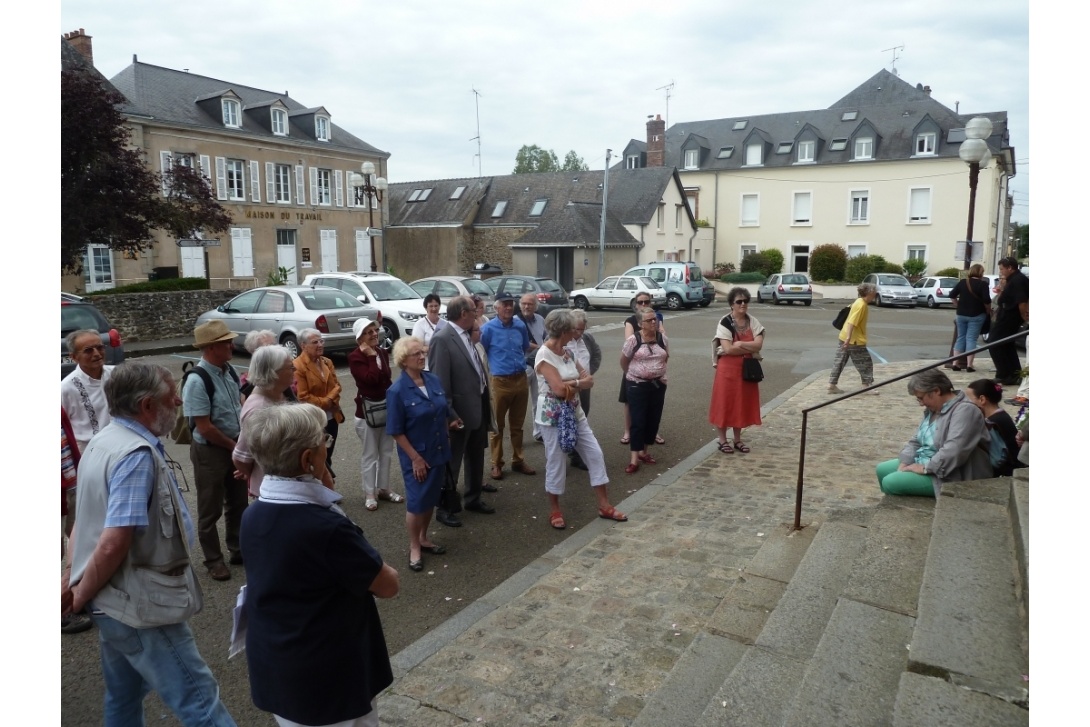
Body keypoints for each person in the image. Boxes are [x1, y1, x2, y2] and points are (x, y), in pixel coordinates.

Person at [63, 362, 236, 726]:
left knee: (123, 698)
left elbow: (84, 518)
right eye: (170, 395)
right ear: (146, 406)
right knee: (199, 700)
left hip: (114, 602)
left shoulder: (103, 440)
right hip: (138, 605)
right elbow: (112, 542)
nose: (177, 400)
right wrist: (77, 594)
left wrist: (73, 578)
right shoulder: (135, 455)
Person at [241, 403, 398, 726]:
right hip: (326, 675)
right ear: (307, 460)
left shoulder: (254, 514)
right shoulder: (324, 527)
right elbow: (387, 584)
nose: (327, 448)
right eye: (323, 443)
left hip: (280, 661)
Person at [535, 309, 627, 529]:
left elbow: (589, 379)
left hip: (575, 412)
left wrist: (575, 385)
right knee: (556, 462)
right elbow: (558, 389)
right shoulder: (544, 354)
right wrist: (577, 385)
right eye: (572, 329)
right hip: (554, 417)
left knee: (595, 454)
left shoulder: (567, 352)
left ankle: (604, 505)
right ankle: (555, 510)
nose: (576, 333)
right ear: (564, 330)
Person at [183, 320, 245, 581]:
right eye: (226, 342)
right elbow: (205, 428)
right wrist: (235, 447)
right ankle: (213, 560)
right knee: (210, 509)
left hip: (233, 444)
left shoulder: (228, 370)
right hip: (211, 451)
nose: (232, 345)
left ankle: (238, 548)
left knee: (239, 502)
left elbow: (239, 403)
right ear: (210, 348)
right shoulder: (197, 380)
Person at [388, 337, 455, 570]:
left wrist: (447, 433)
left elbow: (442, 411)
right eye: (416, 353)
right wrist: (415, 458)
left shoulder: (433, 379)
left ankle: (424, 537)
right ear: (403, 360)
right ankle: (414, 546)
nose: (421, 356)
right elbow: (396, 431)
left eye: (422, 351)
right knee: (416, 503)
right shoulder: (397, 391)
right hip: (417, 455)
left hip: (438, 451)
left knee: (431, 498)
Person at [428, 296, 495, 525]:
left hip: (477, 408)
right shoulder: (443, 338)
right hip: (458, 413)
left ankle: (473, 498)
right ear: (463, 313)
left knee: (476, 456)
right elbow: (439, 382)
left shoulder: (467, 335)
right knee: (452, 461)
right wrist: (449, 415)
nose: (477, 314)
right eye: (473, 311)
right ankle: (445, 507)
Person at [875, 370, 992, 497]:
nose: (921, 404)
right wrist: (905, 461)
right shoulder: (934, 409)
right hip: (927, 461)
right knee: (882, 469)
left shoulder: (966, 410)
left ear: (936, 391)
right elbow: (916, 440)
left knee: (891, 482)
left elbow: (955, 450)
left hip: (951, 474)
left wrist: (926, 468)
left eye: (921, 398)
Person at [349, 317, 405, 511]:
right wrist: (371, 357)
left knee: (386, 452)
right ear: (360, 338)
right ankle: (369, 493)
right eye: (368, 332)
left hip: (385, 409)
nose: (374, 334)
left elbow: (386, 379)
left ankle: (384, 488)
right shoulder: (356, 357)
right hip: (367, 414)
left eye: (374, 330)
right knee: (370, 454)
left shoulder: (381, 351)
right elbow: (371, 380)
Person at [232, 345, 302, 498]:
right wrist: (256, 473)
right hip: (275, 492)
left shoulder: (280, 393)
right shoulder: (258, 408)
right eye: (290, 367)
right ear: (274, 373)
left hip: (289, 486)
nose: (295, 369)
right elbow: (241, 457)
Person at [480, 292, 536, 480]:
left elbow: (524, 347)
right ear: (496, 307)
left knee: (517, 425)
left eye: (511, 304)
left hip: (520, 379)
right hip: (500, 382)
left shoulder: (520, 325)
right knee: (497, 426)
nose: (509, 307)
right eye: (505, 304)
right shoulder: (488, 329)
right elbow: (484, 351)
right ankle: (496, 463)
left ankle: (518, 460)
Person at [709, 287, 764, 454]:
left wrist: (739, 344)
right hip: (727, 370)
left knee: (741, 404)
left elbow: (759, 344)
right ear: (731, 304)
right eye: (739, 301)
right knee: (724, 403)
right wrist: (746, 347)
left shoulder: (753, 321)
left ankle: (738, 440)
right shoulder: (725, 322)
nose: (743, 304)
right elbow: (727, 349)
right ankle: (722, 440)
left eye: (745, 301)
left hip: (746, 370)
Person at [620, 307, 669, 474]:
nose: (654, 322)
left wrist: (656, 372)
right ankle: (634, 458)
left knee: (653, 420)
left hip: (658, 384)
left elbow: (666, 357)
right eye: (649, 320)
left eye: (655, 319)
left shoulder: (663, 338)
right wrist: (634, 375)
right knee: (638, 421)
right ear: (640, 324)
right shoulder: (633, 340)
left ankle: (644, 452)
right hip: (637, 385)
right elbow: (624, 361)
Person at [293, 328, 345, 479]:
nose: (320, 344)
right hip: (314, 420)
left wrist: (329, 400)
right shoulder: (298, 366)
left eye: (321, 340)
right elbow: (303, 397)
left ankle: (327, 489)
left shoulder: (327, 362)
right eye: (315, 342)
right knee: (316, 459)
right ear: (303, 346)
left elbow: (337, 386)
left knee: (328, 455)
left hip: (332, 418)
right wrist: (328, 401)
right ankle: (321, 491)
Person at [61, 408, 94, 634]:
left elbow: (67, 439)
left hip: (71, 481)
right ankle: (62, 612)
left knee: (79, 540)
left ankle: (71, 597)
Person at [619, 294, 666, 446]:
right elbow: (628, 344)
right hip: (634, 367)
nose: (644, 303)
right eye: (641, 302)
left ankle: (651, 434)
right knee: (630, 402)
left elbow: (663, 338)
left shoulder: (656, 318)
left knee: (652, 408)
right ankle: (628, 431)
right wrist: (630, 372)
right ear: (636, 304)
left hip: (654, 371)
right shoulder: (632, 321)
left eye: (647, 301)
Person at [62, 329, 117, 454]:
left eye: (100, 347)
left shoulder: (116, 375)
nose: (97, 353)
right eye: (88, 350)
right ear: (74, 357)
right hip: (89, 453)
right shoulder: (66, 388)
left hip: (122, 447)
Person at [564, 309, 602, 470]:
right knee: (567, 419)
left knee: (582, 416)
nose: (579, 333)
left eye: (582, 329)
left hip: (584, 386)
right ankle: (571, 453)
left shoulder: (587, 338)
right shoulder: (563, 340)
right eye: (576, 329)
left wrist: (589, 373)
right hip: (568, 387)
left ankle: (577, 453)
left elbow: (597, 355)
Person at [828, 283, 878, 394]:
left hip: (843, 335)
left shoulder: (858, 301)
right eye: (874, 293)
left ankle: (832, 385)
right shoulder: (862, 305)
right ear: (869, 293)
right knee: (866, 363)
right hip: (854, 340)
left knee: (839, 361)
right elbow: (852, 322)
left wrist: (845, 338)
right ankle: (866, 386)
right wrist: (848, 339)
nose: (875, 295)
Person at [967, 378, 1023, 477]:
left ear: (982, 399)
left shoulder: (991, 423)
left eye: (969, 400)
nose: (966, 404)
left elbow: (996, 460)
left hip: (1007, 473)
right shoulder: (1001, 415)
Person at [988, 257, 1029, 386]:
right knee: (1007, 345)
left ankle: (1005, 373)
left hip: (1010, 316)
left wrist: (1025, 317)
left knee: (995, 342)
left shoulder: (1018, 280)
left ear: (1010, 268)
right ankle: (1013, 373)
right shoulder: (1014, 279)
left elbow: (1021, 301)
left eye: (1002, 269)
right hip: (1006, 314)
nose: (1001, 272)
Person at [947, 264, 991, 372]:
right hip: (977, 315)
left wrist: (957, 305)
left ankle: (955, 363)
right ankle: (969, 365)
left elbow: (952, 295)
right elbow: (987, 300)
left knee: (960, 337)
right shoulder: (983, 284)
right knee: (971, 339)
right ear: (980, 273)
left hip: (961, 314)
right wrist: (988, 310)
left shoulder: (963, 282)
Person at [238, 329, 296, 402]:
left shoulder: (282, 373)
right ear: (256, 353)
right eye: (268, 347)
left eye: (274, 345)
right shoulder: (248, 383)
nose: (276, 349)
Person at [519, 293, 547, 442]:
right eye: (524, 303)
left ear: (535, 306)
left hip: (539, 364)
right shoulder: (516, 321)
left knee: (539, 399)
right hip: (522, 366)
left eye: (530, 304)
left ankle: (539, 432)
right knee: (519, 403)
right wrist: (542, 349)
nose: (526, 306)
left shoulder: (541, 320)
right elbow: (525, 344)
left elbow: (546, 336)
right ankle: (516, 435)